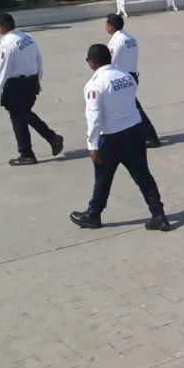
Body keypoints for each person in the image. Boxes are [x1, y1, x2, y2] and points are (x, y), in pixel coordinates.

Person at [70, 43, 171, 231]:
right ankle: (159, 215)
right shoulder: (126, 76)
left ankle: (93, 215)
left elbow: (93, 117)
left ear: (90, 62)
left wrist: (92, 145)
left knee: (103, 178)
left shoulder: (95, 84)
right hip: (135, 132)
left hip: (111, 139)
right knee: (143, 175)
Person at [0, 12, 63, 166]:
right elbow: (38, 59)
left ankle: (26, 153)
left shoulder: (6, 45)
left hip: (16, 86)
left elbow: (2, 71)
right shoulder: (27, 38)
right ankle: (52, 138)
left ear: (1, 27)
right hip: (31, 83)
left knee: (18, 119)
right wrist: (38, 80)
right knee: (25, 114)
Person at [105, 13, 161, 148]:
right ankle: (140, 135)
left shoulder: (117, 41)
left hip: (122, 77)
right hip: (132, 75)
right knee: (129, 107)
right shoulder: (130, 38)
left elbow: (109, 61)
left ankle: (151, 136)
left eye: (106, 24)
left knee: (134, 108)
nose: (105, 27)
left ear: (111, 26)